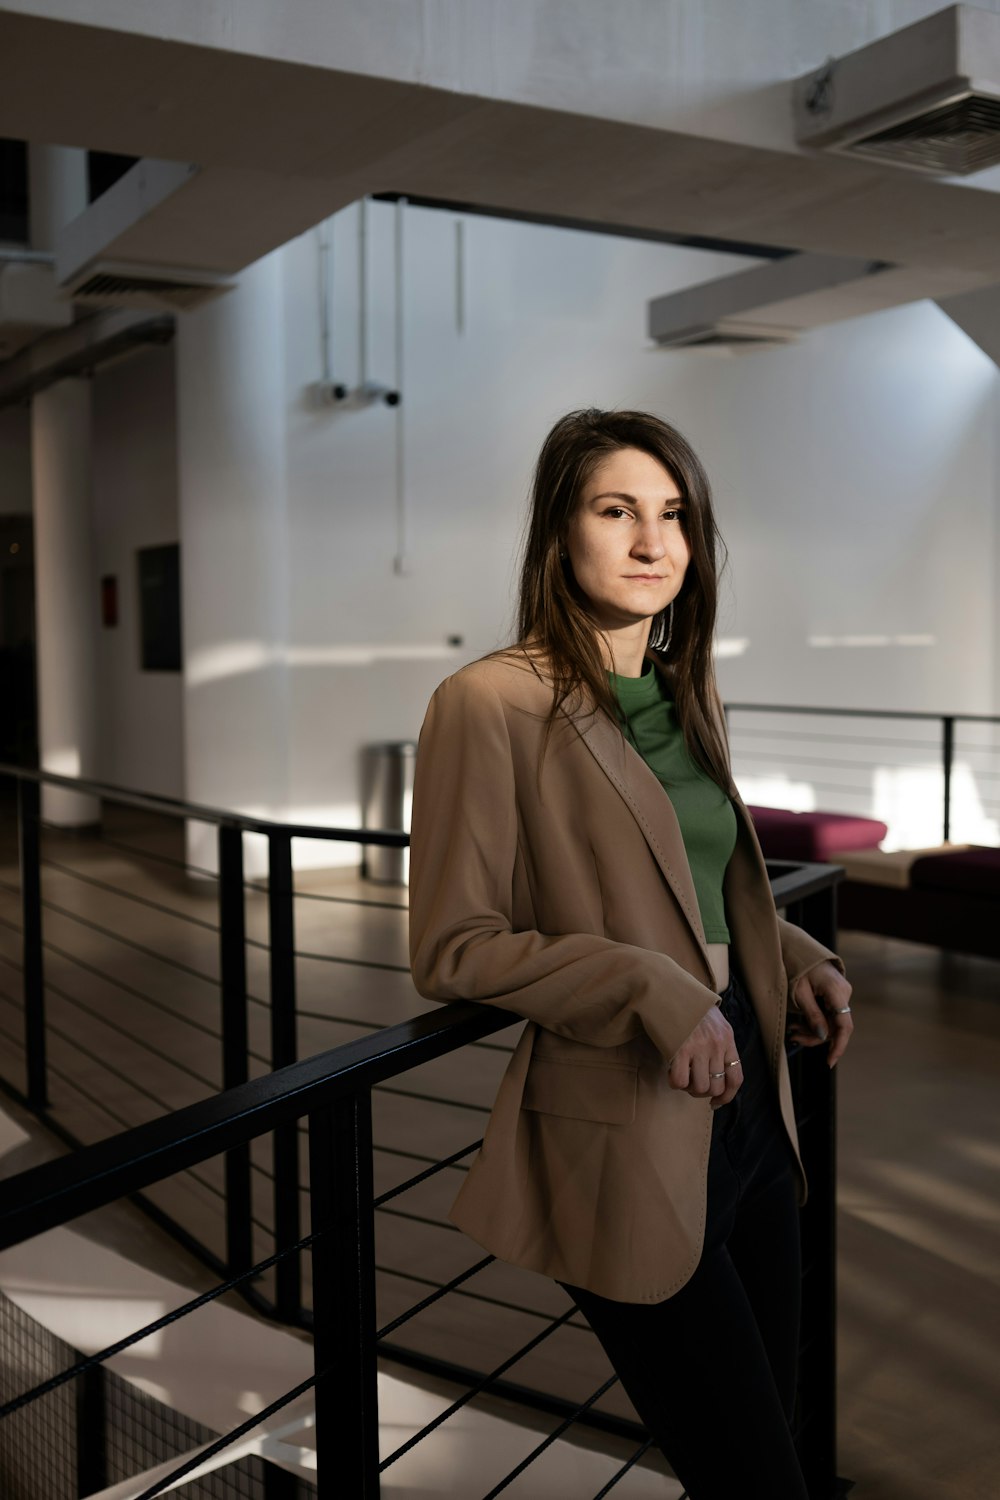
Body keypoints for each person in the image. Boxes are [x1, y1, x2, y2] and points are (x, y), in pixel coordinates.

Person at [408, 408, 854, 1499]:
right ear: (560, 533)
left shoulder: (683, 688)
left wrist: (789, 951)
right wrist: (646, 985)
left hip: (753, 1099)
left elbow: (687, 881)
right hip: (625, 1114)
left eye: (674, 516)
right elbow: (453, 947)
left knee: (779, 1435)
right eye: (617, 511)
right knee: (750, 1474)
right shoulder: (489, 702)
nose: (653, 543)